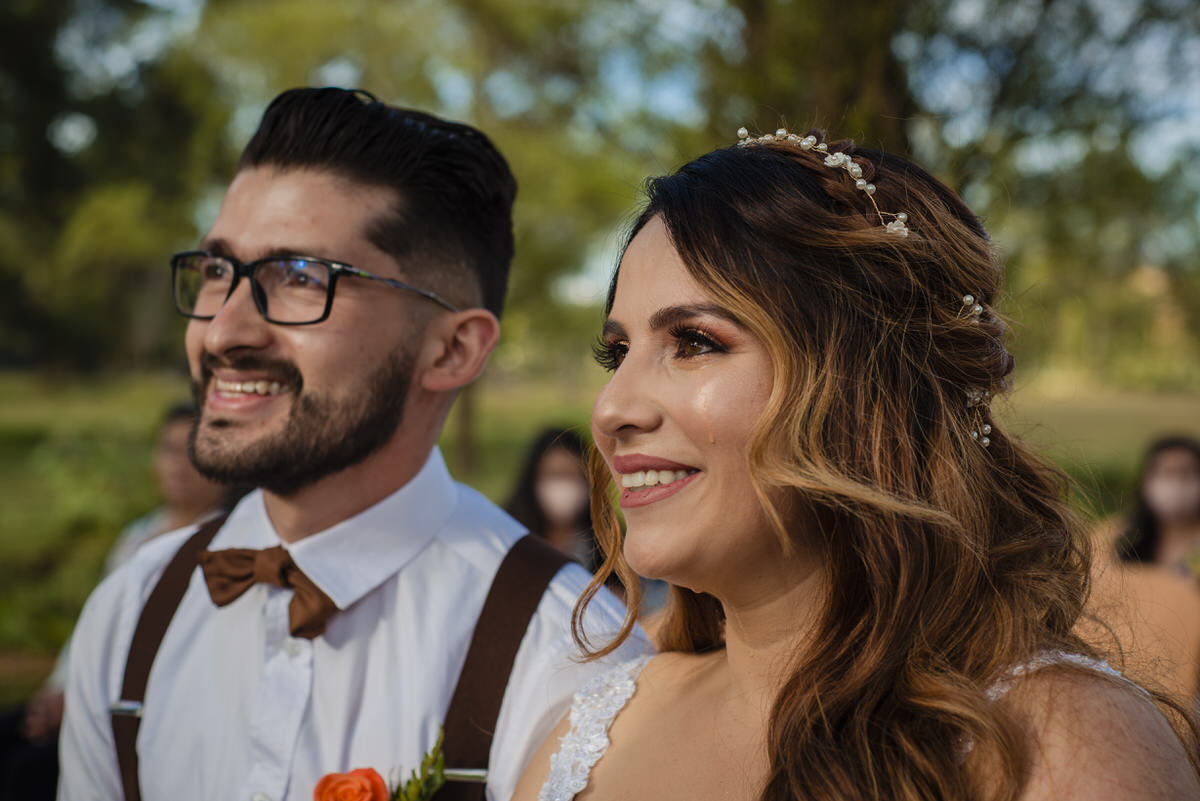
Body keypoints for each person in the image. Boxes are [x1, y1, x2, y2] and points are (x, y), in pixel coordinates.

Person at [512, 128, 1200, 801]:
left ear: (868, 383)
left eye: (693, 340)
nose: (610, 409)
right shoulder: (595, 733)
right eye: (617, 352)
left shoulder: (1051, 745)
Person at [59, 87, 646, 801]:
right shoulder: (130, 612)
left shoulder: (566, 659)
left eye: (302, 277)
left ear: (453, 349)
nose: (222, 331)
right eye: (218, 270)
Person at [2, 401, 235, 801]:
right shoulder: (137, 536)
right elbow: (91, 633)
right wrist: (57, 690)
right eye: (167, 449)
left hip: (128, 712)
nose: (177, 464)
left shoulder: (230, 557)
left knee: (24, 775)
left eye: (192, 450)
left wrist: (75, 706)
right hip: (77, 693)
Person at [504, 428, 596, 568]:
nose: (564, 485)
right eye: (555, 474)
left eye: (573, 475)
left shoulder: (610, 550)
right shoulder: (507, 538)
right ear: (533, 479)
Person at [1117, 436, 1200, 575]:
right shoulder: (1124, 539)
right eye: (1167, 472)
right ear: (1145, 482)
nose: (1177, 484)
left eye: (1186, 473)